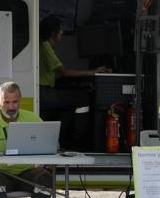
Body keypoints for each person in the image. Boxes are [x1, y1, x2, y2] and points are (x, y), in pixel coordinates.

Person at [38, 15, 109, 147]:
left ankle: (59, 135)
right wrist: (92, 72)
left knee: (70, 104)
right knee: (82, 99)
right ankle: (79, 139)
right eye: (60, 29)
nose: (62, 32)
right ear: (53, 32)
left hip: (44, 90)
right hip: (43, 92)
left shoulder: (44, 46)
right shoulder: (46, 47)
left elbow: (53, 73)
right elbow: (64, 72)